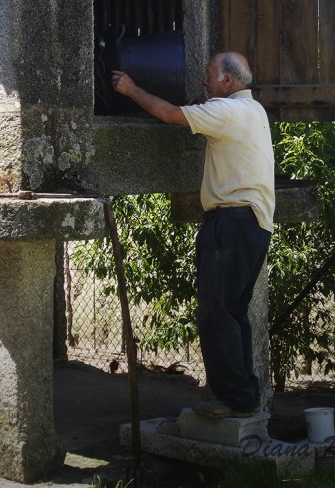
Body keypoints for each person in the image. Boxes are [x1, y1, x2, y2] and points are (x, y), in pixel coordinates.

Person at [112, 51, 275, 419]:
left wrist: (132, 89)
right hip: (252, 225)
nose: (204, 82)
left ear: (228, 82)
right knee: (232, 312)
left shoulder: (227, 111)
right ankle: (242, 396)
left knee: (216, 313)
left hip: (232, 223)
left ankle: (230, 399)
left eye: (210, 75)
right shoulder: (255, 111)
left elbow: (169, 114)